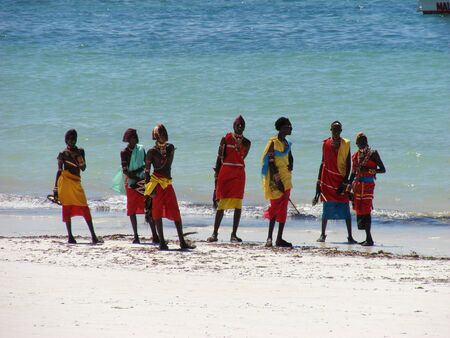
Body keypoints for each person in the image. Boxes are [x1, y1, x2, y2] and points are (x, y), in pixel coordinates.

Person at [144, 124, 195, 251]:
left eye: (165, 132)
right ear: (156, 136)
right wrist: (150, 191)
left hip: (167, 183)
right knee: (156, 213)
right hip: (157, 185)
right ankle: (161, 242)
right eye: (162, 133)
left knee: (175, 211)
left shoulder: (170, 148)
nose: (165, 134)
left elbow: (166, 164)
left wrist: (161, 151)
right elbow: (146, 173)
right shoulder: (151, 152)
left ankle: (182, 241)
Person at [207, 115, 251, 243]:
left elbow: (242, 158)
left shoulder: (247, 142)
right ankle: (215, 234)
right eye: (238, 125)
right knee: (221, 205)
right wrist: (216, 180)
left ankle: (234, 234)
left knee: (238, 205)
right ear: (233, 126)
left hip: (239, 175)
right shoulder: (225, 139)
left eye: (242, 125)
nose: (240, 127)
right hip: (225, 174)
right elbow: (219, 158)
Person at [53, 129, 101, 244]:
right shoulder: (62, 153)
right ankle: (70, 236)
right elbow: (59, 171)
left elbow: (83, 168)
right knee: (67, 207)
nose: (72, 141)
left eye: (74, 139)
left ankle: (93, 236)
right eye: (69, 139)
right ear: (66, 140)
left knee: (84, 207)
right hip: (65, 183)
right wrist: (55, 189)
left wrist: (77, 156)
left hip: (76, 182)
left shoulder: (80, 151)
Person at [313, 121, 357, 243]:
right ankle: (322, 234)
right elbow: (322, 162)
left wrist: (345, 182)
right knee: (326, 208)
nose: (336, 132)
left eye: (338, 130)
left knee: (345, 207)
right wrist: (318, 181)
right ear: (330, 130)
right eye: (334, 129)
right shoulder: (326, 143)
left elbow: (349, 164)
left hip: (340, 179)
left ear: (341, 131)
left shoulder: (346, 144)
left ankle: (350, 236)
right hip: (327, 180)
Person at [120, 128, 159, 244]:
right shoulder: (124, 152)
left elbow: (147, 165)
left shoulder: (141, 149)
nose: (134, 140)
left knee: (148, 207)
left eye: (135, 138)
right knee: (132, 209)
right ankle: (136, 236)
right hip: (132, 183)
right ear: (128, 140)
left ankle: (155, 235)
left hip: (142, 181)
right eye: (132, 139)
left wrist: (144, 178)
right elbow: (125, 171)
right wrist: (137, 177)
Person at [261, 117, 294, 248]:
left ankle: (279, 239)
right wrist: (277, 180)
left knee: (283, 210)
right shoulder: (273, 143)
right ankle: (269, 238)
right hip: (275, 180)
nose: (291, 127)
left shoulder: (287, 143)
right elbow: (270, 163)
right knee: (274, 209)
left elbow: (290, 156)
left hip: (287, 179)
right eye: (288, 126)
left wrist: (291, 163)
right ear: (281, 128)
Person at [349, 132, 386, 246]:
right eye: (359, 142)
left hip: (368, 186)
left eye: (363, 141)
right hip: (357, 187)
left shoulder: (373, 153)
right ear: (356, 143)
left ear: (367, 141)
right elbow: (353, 173)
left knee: (366, 211)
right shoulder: (355, 156)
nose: (361, 143)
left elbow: (383, 169)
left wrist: (369, 171)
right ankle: (367, 238)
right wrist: (348, 186)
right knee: (360, 211)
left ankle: (369, 239)